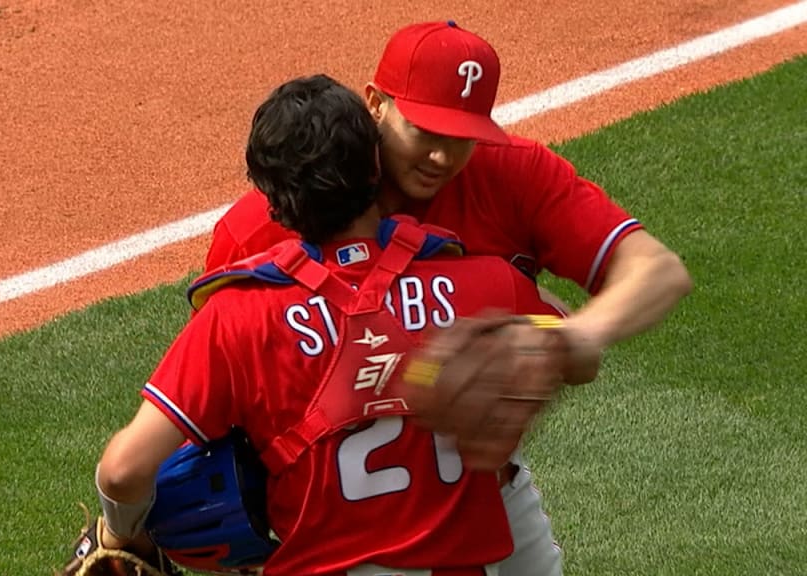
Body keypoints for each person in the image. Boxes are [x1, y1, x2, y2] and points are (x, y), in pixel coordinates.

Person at [202, 20, 693, 576]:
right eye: (426, 131)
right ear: (376, 103)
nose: (442, 157)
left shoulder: (513, 174)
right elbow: (221, 401)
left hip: (487, 494)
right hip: (336, 528)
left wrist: (570, 334)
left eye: (463, 135)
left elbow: (655, 270)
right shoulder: (264, 226)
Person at [87, 74, 587, 576]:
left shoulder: (235, 319)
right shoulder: (486, 283)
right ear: (376, 165)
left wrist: (121, 533)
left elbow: (123, 471)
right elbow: (577, 353)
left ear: (272, 199)